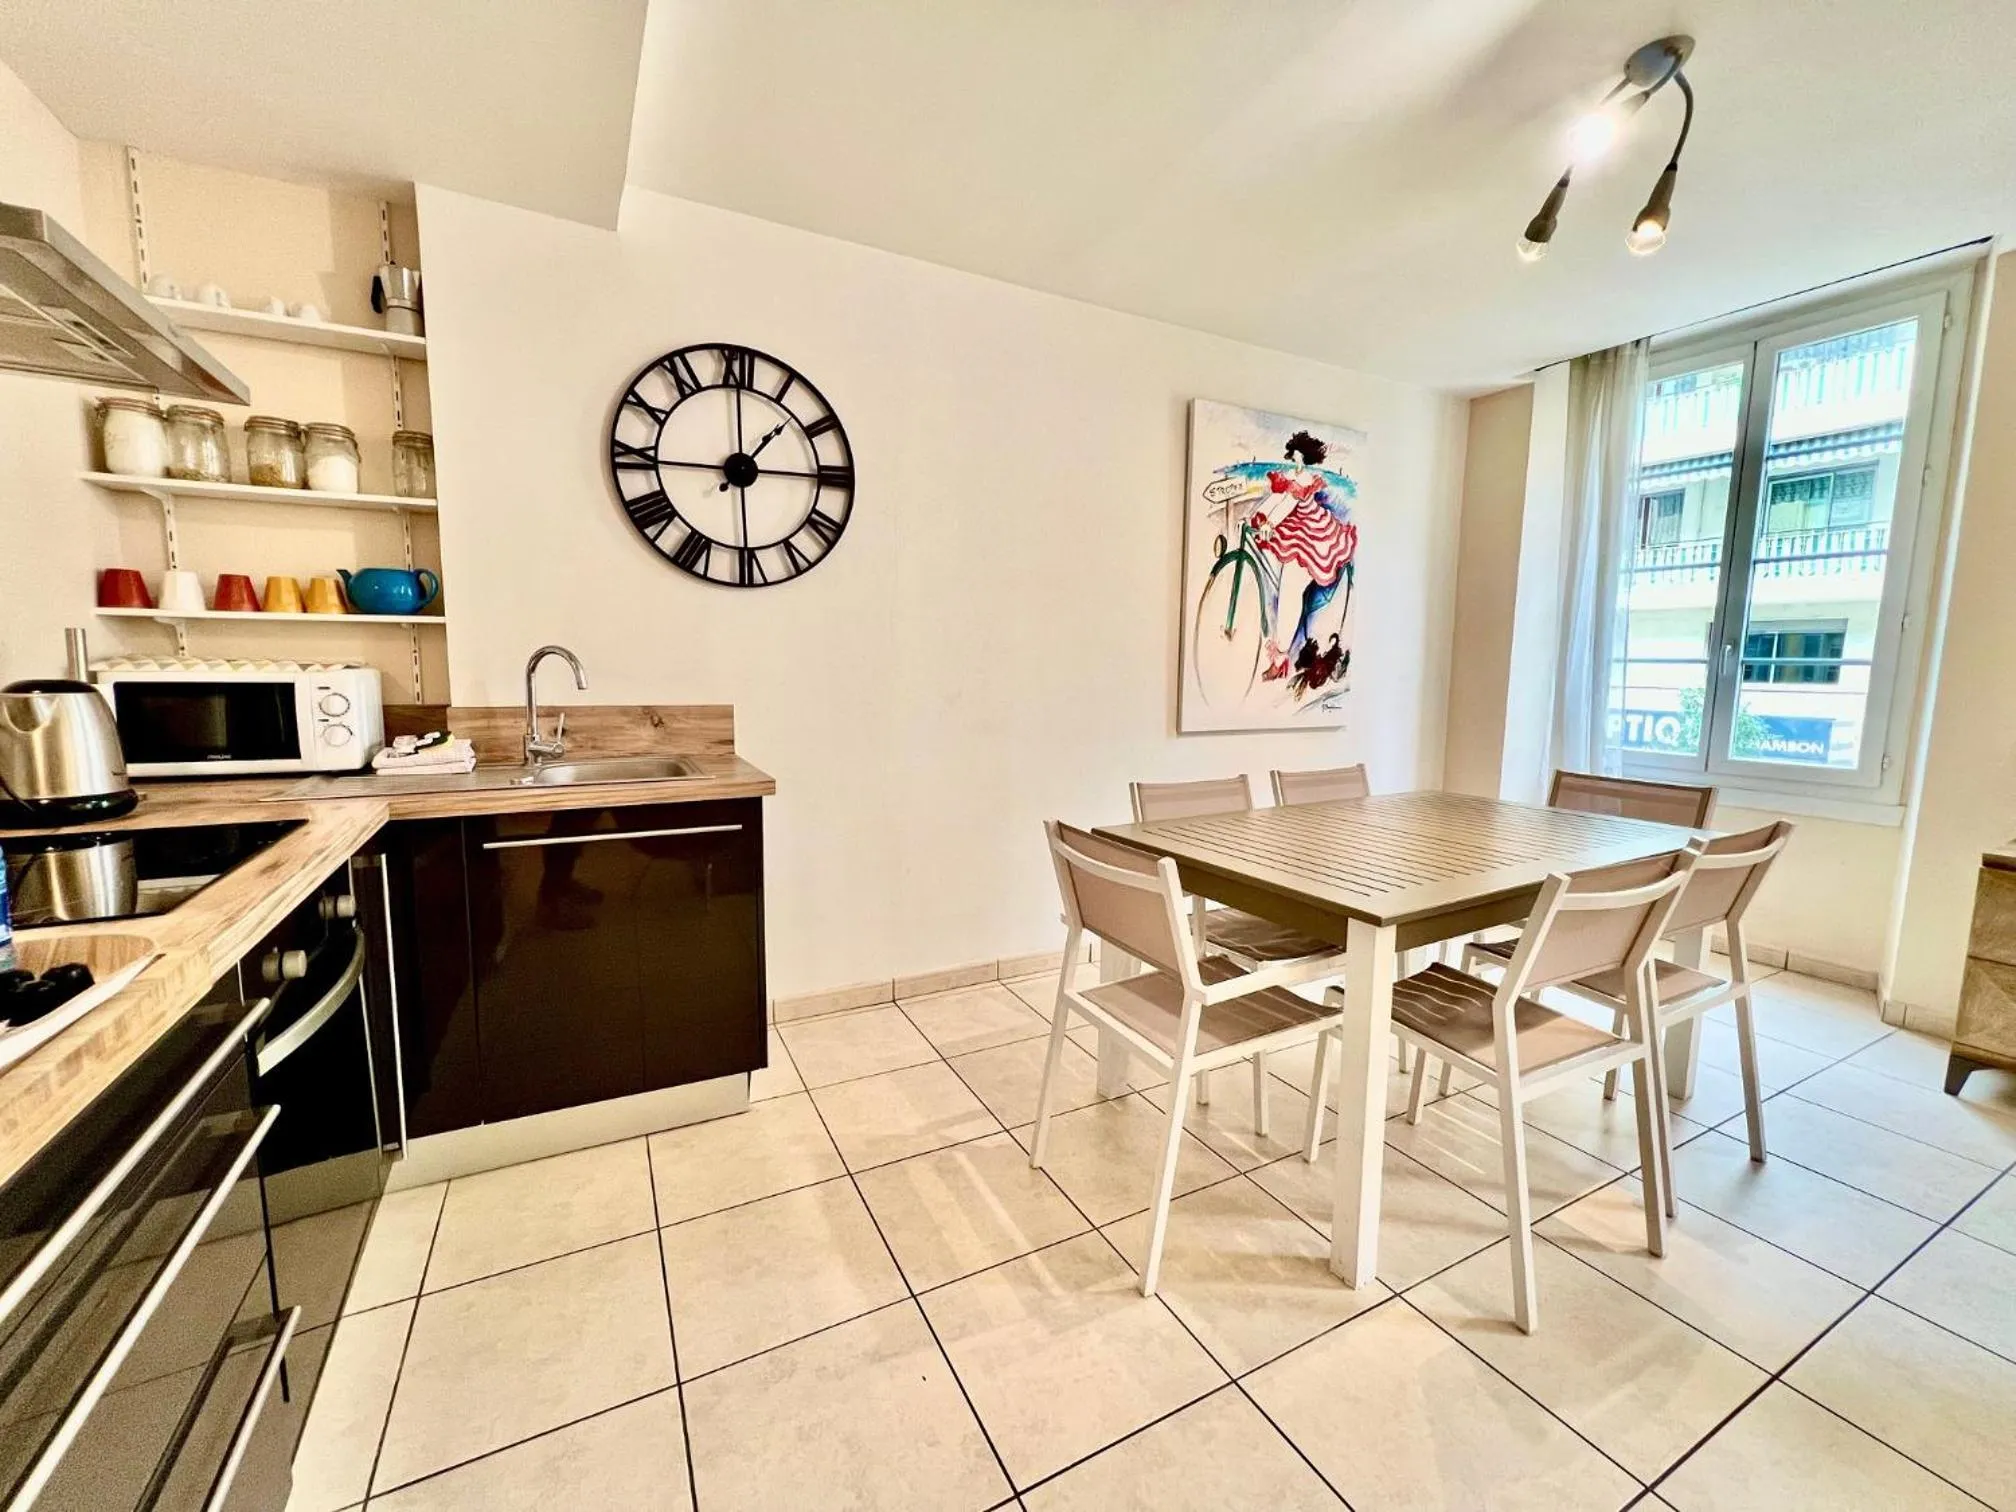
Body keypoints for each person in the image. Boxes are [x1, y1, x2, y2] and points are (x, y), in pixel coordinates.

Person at [1248, 431, 1356, 684]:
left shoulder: (1305, 477)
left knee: (1290, 590)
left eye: (1297, 453)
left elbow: (1287, 504)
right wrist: (1261, 517)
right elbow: (1277, 498)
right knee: (1283, 583)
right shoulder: (1291, 475)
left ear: (1303, 454)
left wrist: (1270, 522)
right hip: (1294, 528)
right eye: (1293, 452)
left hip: (1311, 532)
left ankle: (1281, 658)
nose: (1294, 456)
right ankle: (1281, 654)